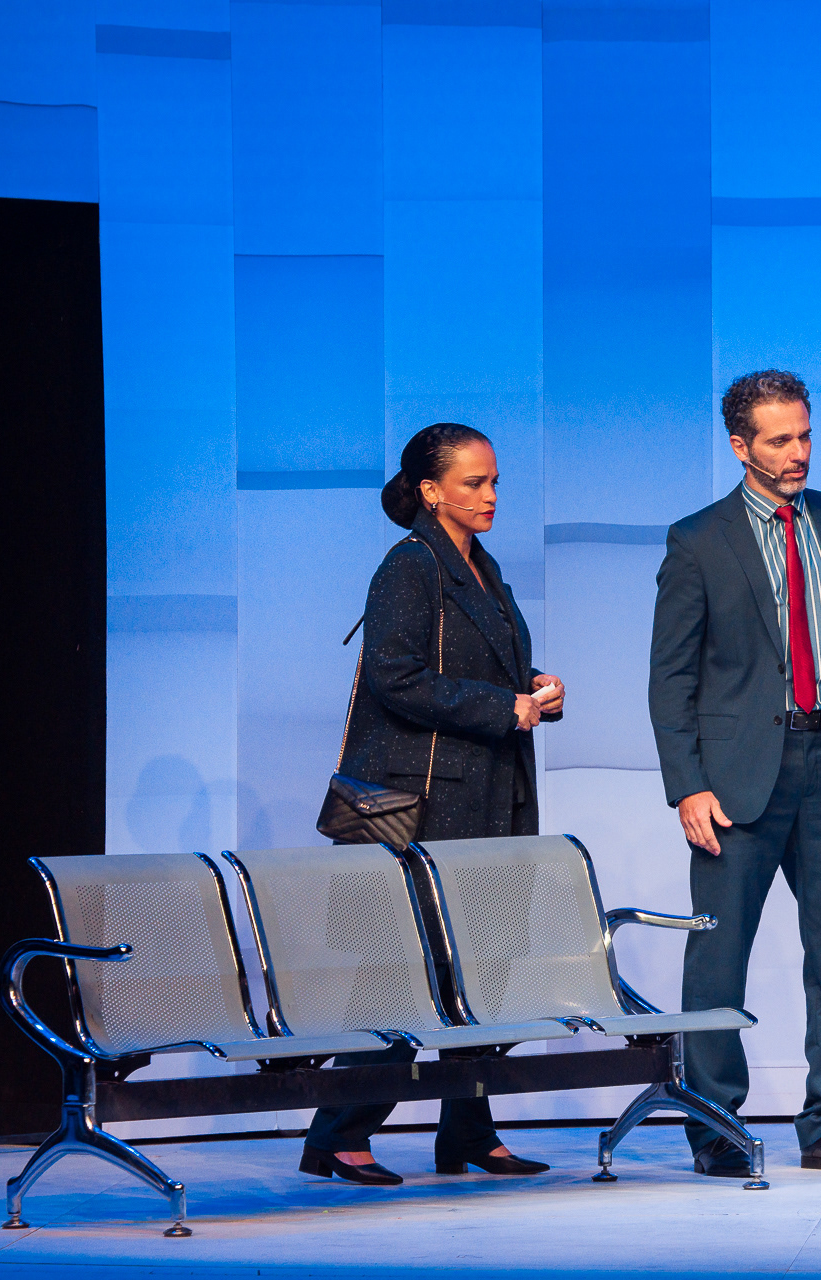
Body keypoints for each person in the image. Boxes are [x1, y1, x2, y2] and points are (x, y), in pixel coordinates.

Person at [649, 370, 821, 1177]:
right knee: (717, 958)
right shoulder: (698, 540)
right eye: (779, 440)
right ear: (741, 446)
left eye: (805, 435)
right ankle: (714, 1126)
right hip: (735, 779)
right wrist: (687, 784)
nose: (798, 453)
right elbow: (671, 678)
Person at [300, 422, 565, 1186]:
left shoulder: (481, 565)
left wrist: (535, 689)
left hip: (488, 793)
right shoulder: (410, 565)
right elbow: (395, 677)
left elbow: (482, 666)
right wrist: (503, 706)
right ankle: (339, 1134)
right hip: (428, 806)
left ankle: (469, 1131)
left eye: (494, 482)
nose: (490, 496)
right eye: (474, 483)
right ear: (430, 490)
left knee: (483, 969)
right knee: (402, 972)